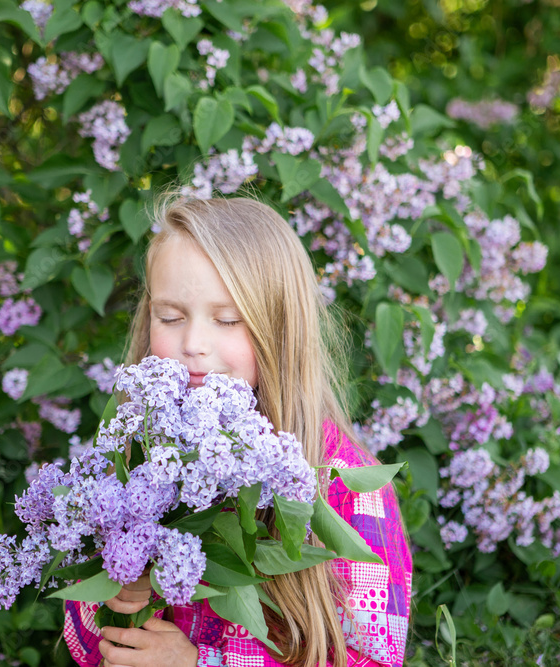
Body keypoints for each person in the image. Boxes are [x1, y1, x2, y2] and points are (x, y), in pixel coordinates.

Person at [63, 195, 412, 667]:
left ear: (281, 328)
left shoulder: (341, 484)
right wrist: (118, 583)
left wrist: (200, 664)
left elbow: (374, 659)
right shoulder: (134, 457)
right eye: (170, 317)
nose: (193, 345)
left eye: (228, 319)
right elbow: (85, 646)